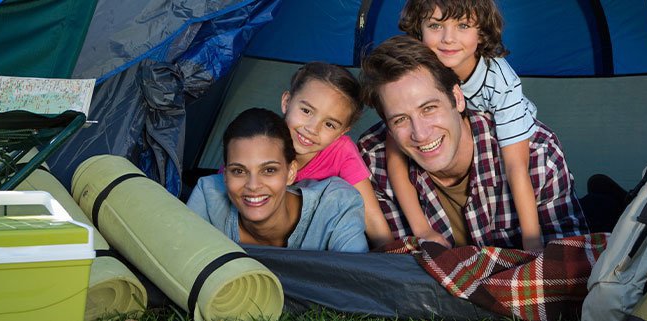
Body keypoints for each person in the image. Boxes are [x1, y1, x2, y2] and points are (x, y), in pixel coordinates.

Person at [357, 35, 587, 249]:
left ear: (457, 98)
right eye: (400, 120)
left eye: (428, 108)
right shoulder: (371, 165)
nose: (421, 133)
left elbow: (564, 269)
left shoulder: (539, 154)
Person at [385, 0, 546, 250]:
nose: (448, 39)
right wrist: (422, 229)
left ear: (481, 32)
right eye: (435, 25)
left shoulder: (501, 81)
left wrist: (533, 243)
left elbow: (516, 167)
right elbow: (394, 155)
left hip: (513, 143)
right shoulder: (418, 70)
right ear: (419, 29)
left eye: (463, 25)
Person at [187, 108, 368, 253]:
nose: (253, 186)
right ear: (225, 175)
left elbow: (357, 284)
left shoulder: (336, 206)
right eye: (239, 171)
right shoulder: (209, 196)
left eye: (269, 170)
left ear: (291, 173)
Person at [278, 62, 392, 248]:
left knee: (341, 194)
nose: (312, 129)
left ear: (342, 132)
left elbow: (370, 215)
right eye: (306, 111)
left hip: (317, 247)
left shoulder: (341, 151)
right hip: (263, 239)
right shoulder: (261, 140)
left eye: (329, 124)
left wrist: (391, 257)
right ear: (286, 102)